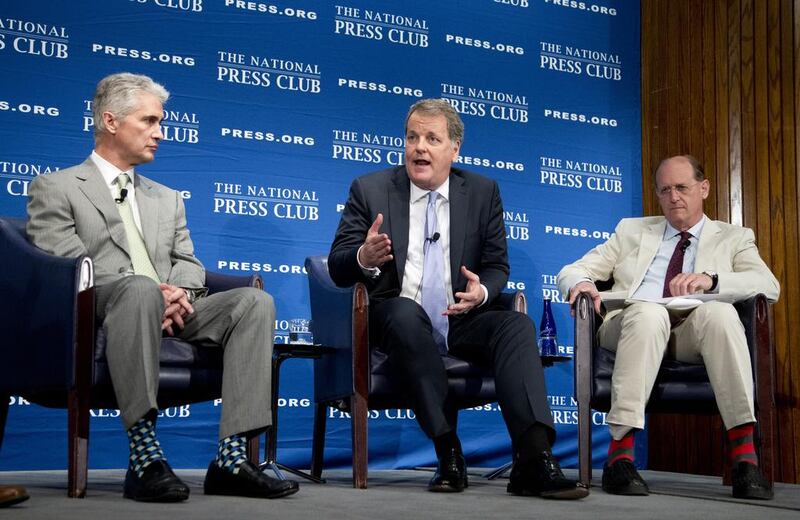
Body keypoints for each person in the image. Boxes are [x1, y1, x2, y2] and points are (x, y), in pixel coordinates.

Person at [26, 73, 299, 502]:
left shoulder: (167, 198)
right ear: (111, 121)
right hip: (99, 307)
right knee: (137, 289)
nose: (160, 133)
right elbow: (66, 265)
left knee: (254, 302)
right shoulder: (56, 187)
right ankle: (144, 456)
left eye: (161, 122)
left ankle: (230, 459)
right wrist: (151, 293)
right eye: (150, 121)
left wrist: (177, 296)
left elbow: (188, 264)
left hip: (172, 308)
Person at [328, 99, 587, 499]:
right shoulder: (371, 189)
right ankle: (448, 451)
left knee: (517, 324)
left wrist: (481, 291)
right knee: (403, 311)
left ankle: (534, 458)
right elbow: (337, 266)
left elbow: (497, 266)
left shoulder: (483, 192)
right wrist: (364, 256)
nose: (419, 148)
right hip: (394, 317)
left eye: (432, 139)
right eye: (412, 137)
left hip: (461, 316)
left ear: (455, 148)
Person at [557, 155, 779, 500]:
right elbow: (573, 269)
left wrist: (711, 280)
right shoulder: (631, 231)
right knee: (649, 314)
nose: (674, 196)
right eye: (665, 190)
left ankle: (745, 460)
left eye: (682, 187)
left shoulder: (734, 237)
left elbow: (768, 285)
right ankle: (620, 456)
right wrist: (581, 284)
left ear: (703, 188)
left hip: (692, 331)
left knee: (720, 314)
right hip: (631, 325)